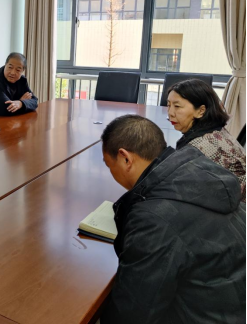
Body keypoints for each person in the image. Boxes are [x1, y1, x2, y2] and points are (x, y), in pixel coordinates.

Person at [99, 114, 246, 324]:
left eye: (108, 165)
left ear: (125, 158)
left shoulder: (154, 218)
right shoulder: (197, 166)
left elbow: (132, 313)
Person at [167, 79, 246, 202]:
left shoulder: (198, 148)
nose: (170, 113)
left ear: (201, 111)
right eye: (168, 105)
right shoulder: (216, 131)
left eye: (177, 106)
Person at [0, 52, 38, 121]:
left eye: (18, 70)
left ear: (23, 71)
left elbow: (34, 101)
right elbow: (7, 109)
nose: (13, 72)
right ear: (5, 65)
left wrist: (20, 103)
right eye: (10, 67)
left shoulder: (22, 80)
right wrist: (22, 101)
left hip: (12, 121)